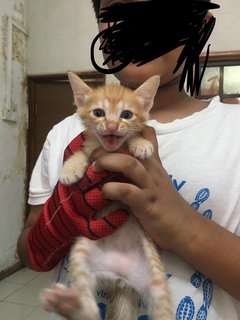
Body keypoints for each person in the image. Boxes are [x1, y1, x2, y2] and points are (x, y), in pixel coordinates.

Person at [17, 0, 240, 319]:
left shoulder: (234, 131)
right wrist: (57, 221)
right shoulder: (63, 133)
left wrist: (183, 226)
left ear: (200, 26)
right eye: (120, 13)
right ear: (101, 26)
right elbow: (29, 254)